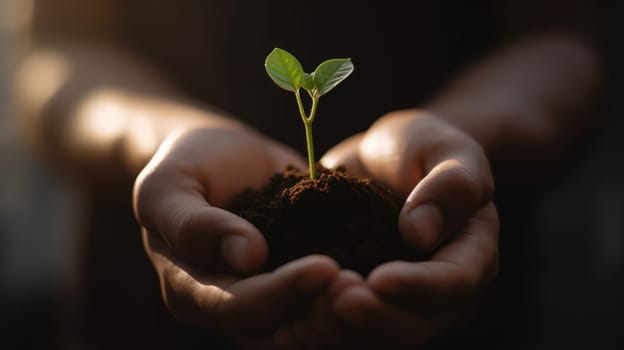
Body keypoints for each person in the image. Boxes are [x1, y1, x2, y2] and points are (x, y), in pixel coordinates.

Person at [13, 0, 601, 348]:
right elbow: (57, 46)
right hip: (146, 299)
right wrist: (161, 142)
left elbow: (561, 33)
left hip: (456, 271)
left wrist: (464, 135)